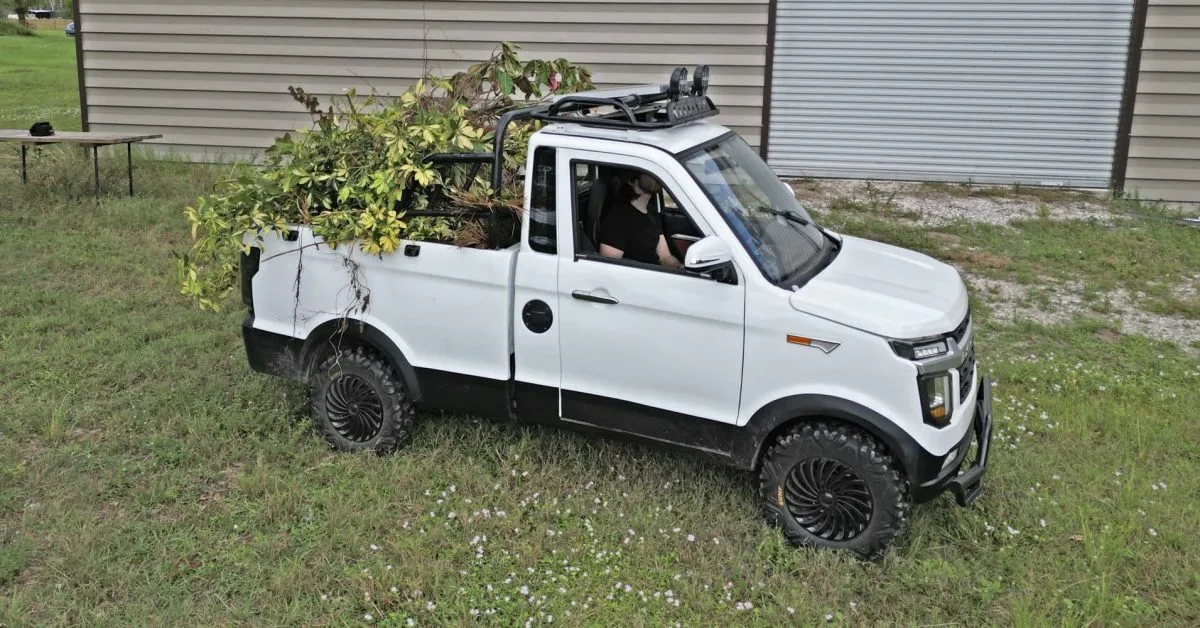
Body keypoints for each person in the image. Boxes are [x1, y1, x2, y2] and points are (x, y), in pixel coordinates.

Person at [597, 172, 683, 268]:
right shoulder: (618, 218)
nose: (656, 175)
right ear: (632, 180)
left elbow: (664, 256)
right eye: (649, 172)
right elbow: (609, 267)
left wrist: (678, 267)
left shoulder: (652, 212)